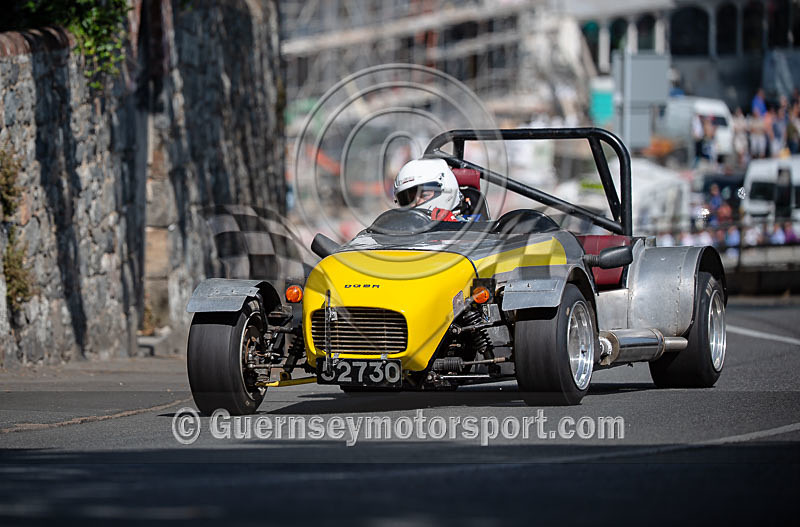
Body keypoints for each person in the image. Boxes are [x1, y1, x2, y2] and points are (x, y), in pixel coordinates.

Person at [393, 158, 465, 221]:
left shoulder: (471, 227)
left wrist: (450, 227)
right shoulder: (401, 229)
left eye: (424, 195)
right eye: (408, 200)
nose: (414, 204)